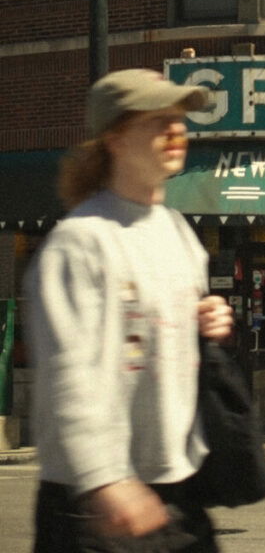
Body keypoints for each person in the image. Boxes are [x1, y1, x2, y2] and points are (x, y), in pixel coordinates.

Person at [25, 68, 234, 553]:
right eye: (159, 120)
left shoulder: (178, 232)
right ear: (116, 137)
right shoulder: (81, 241)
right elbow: (67, 372)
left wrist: (208, 320)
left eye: (180, 120)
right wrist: (103, 481)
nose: (176, 131)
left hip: (177, 491)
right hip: (95, 503)